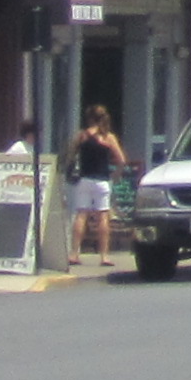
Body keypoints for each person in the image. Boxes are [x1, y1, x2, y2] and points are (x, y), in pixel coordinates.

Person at [69, 107, 127, 263]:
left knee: (81, 215)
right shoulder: (108, 137)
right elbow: (121, 160)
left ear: (89, 118)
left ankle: (74, 253)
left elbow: (70, 156)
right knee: (103, 217)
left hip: (85, 179)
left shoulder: (81, 136)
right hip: (102, 180)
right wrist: (115, 175)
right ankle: (104, 256)